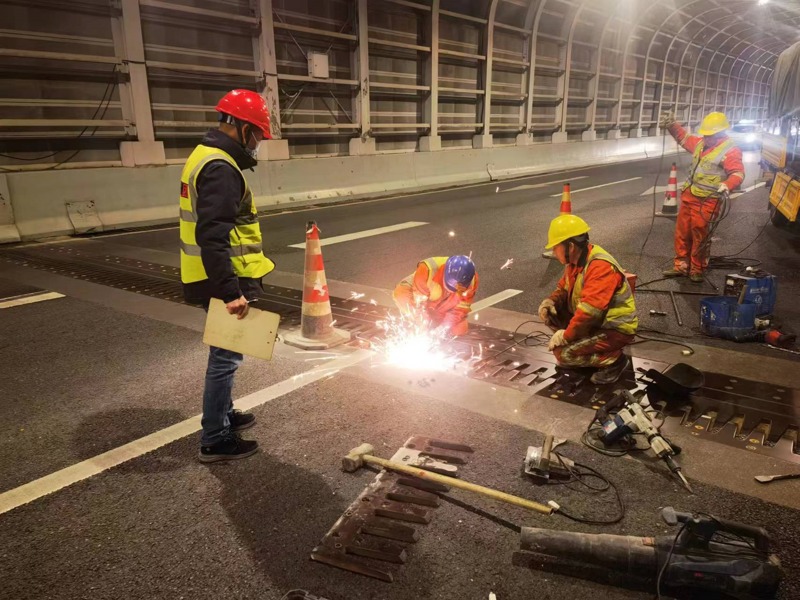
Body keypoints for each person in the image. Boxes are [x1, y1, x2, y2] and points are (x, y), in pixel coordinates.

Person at [179, 89, 275, 463]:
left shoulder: (204, 156)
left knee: (227, 351)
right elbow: (213, 235)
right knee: (226, 356)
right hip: (222, 277)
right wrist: (230, 291)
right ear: (239, 127)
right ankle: (215, 437)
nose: (257, 143)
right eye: (256, 135)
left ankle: (224, 413)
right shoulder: (221, 168)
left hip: (207, 275)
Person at [538, 215, 638, 385]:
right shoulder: (575, 262)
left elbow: (589, 313)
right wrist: (550, 302)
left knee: (563, 355)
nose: (554, 252)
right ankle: (586, 350)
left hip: (614, 330)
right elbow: (563, 288)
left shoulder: (600, 267)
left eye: (556, 247)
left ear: (570, 246)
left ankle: (615, 361)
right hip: (596, 324)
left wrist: (567, 337)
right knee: (552, 313)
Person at [659, 111, 745, 283]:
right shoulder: (701, 143)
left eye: (709, 135)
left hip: (708, 199)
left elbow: (738, 173)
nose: (706, 138)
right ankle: (682, 266)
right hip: (690, 194)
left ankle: (697, 269)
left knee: (700, 233)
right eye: (704, 134)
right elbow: (684, 138)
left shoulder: (730, 151)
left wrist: (727, 185)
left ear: (720, 134)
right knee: (682, 232)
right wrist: (672, 125)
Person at [393, 255, 478, 336]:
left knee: (460, 329)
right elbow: (419, 304)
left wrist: (442, 329)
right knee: (402, 296)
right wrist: (423, 325)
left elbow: (459, 310)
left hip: (442, 302)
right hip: (419, 291)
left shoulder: (471, 281)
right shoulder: (427, 269)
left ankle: (435, 323)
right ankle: (418, 326)